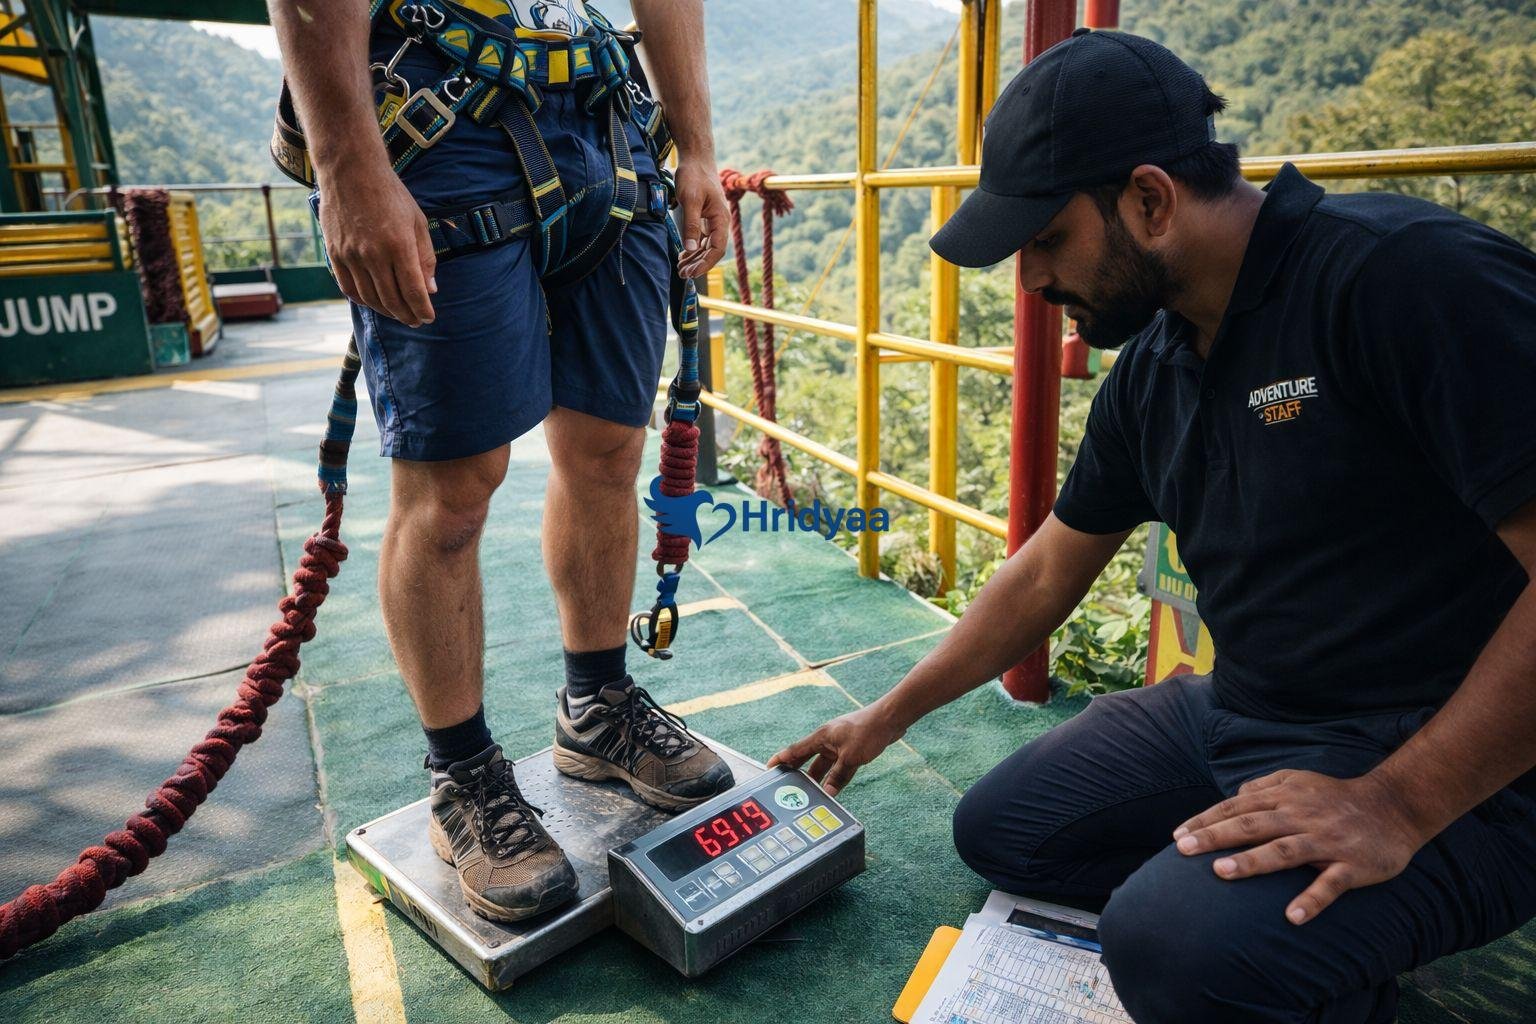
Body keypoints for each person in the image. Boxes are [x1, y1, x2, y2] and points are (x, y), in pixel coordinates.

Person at [771, 28, 1536, 1023]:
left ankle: (1280, 941)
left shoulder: (1400, 280)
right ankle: (1259, 914)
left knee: (1167, 948)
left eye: (1047, 239)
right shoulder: (1160, 362)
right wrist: (887, 716)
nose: (1029, 279)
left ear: (1149, 201)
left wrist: (1399, 802)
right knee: (1005, 830)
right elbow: (1047, 569)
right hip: (1248, 709)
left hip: (1451, 758)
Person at [269, 0, 735, 924]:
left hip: (602, 107)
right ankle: (464, 773)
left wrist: (697, 148)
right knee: (451, 492)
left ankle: (596, 708)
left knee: (609, 451)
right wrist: (349, 166)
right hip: (436, 107)